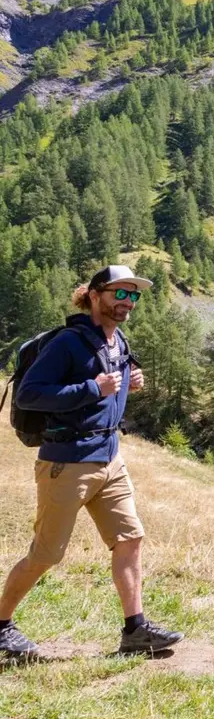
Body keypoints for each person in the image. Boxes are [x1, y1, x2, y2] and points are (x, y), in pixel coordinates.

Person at [0, 265, 184, 661]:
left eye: (133, 296)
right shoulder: (68, 342)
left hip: (110, 459)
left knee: (130, 538)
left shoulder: (118, 342)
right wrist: (92, 388)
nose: (127, 302)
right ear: (95, 295)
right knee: (46, 554)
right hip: (67, 462)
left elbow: (108, 397)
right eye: (119, 293)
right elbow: (30, 394)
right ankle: (1, 626)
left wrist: (129, 385)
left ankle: (135, 630)